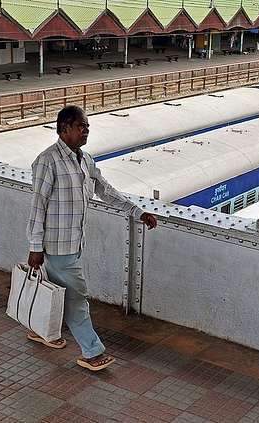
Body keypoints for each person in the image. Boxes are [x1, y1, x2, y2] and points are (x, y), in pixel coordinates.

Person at [26, 105, 158, 371]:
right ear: (64, 128)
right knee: (77, 296)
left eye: (87, 127)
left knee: (56, 291)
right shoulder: (47, 161)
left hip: (75, 244)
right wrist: (34, 246)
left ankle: (40, 330)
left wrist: (138, 212)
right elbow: (37, 206)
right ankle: (91, 351)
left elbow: (106, 191)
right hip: (57, 246)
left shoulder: (84, 160)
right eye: (81, 126)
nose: (86, 131)